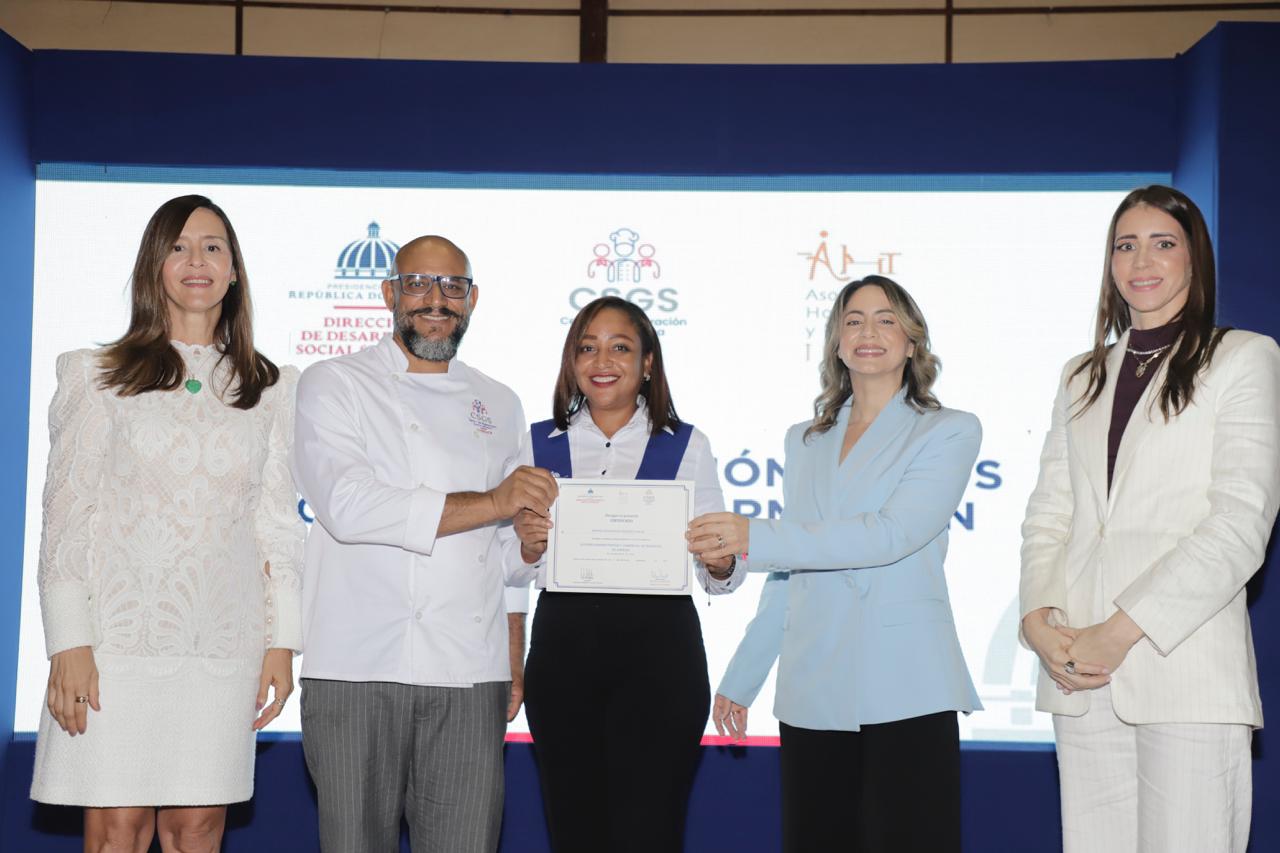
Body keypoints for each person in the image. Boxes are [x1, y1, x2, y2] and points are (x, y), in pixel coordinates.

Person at [30, 194, 302, 851]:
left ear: (234, 270)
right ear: (154, 266)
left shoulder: (270, 387)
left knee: (196, 829)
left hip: (223, 645)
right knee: (116, 830)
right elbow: (66, 514)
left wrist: (282, 642)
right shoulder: (97, 375)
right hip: (115, 645)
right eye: (177, 247)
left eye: (212, 247)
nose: (196, 261)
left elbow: (276, 524)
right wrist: (68, 642)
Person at [1019, 185, 1280, 853]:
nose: (1142, 260)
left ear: (1195, 259)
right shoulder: (1080, 375)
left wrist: (1120, 630)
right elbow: (1049, 513)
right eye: (1125, 245)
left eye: (1163, 243)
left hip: (1183, 662)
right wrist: (1038, 620)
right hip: (1079, 670)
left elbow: (1240, 523)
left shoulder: (1243, 357)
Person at [689, 275, 981, 853]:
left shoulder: (949, 430)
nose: (868, 331)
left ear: (912, 341)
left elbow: (890, 535)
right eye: (853, 320)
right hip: (813, 687)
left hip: (907, 684)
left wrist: (754, 535)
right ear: (837, 343)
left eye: (886, 319)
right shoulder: (805, 440)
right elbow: (790, 569)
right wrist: (744, 675)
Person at [292, 235, 558, 853]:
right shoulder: (334, 382)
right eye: (417, 284)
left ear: (472, 300)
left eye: (452, 286)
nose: (435, 300)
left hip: (469, 669)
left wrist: (526, 547)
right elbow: (348, 505)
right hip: (357, 665)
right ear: (390, 293)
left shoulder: (500, 401)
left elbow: (506, 557)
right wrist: (494, 502)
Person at [506, 296, 743, 853]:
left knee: (652, 829)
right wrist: (527, 546)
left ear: (648, 362)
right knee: (573, 827)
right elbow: (509, 568)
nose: (602, 361)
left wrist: (720, 559)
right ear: (571, 361)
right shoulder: (534, 443)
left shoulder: (687, 445)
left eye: (619, 347)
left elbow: (721, 577)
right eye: (587, 348)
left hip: (661, 657)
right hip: (564, 653)